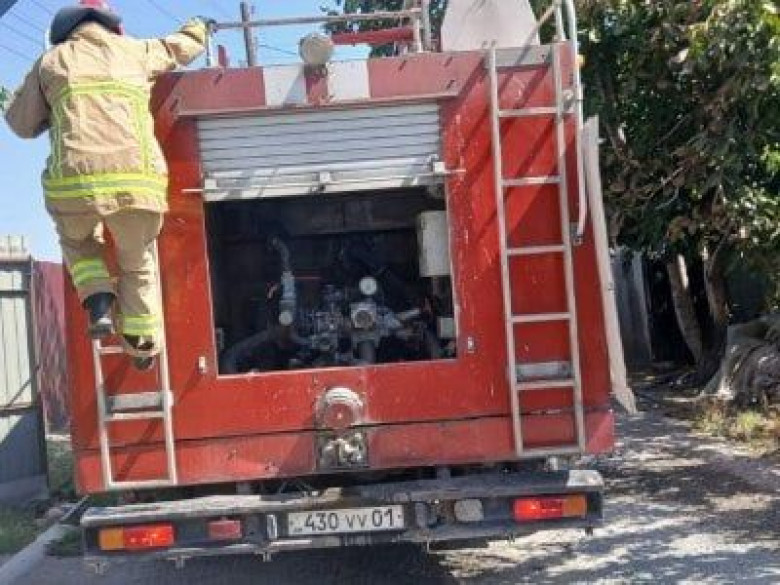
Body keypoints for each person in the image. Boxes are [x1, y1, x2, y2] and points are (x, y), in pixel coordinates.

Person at [4, 1, 213, 370]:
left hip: (74, 185)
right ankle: (142, 347)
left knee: (79, 242)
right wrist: (199, 27)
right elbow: (178, 47)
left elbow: (22, 125)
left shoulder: (51, 61)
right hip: (137, 183)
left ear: (64, 31)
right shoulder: (136, 51)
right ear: (113, 27)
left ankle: (98, 298)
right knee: (138, 263)